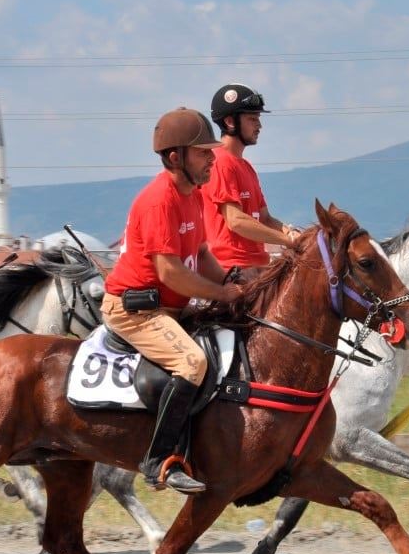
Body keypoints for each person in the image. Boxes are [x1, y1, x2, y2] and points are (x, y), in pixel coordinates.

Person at [101, 107, 243, 494]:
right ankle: (157, 460)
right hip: (136, 312)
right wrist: (220, 293)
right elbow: (171, 273)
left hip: (171, 308)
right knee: (192, 361)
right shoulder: (157, 201)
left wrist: (235, 281)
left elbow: (202, 256)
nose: (212, 158)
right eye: (203, 153)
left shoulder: (195, 196)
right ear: (175, 157)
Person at [201, 83, 300, 275]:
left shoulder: (246, 167)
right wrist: (287, 241)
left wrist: (290, 232)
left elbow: (265, 218)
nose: (259, 125)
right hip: (232, 269)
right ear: (230, 122)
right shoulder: (220, 162)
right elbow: (236, 221)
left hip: (255, 267)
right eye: (252, 119)